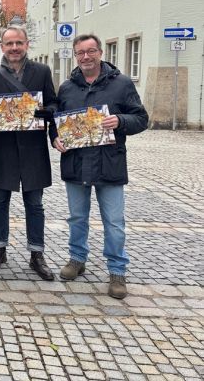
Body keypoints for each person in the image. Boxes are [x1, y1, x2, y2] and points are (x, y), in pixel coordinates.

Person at [53, 34, 148, 299]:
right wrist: (55, 138)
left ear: (101, 52)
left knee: (114, 222)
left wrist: (120, 120)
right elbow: (57, 122)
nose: (86, 57)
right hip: (76, 163)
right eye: (80, 52)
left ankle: (117, 271)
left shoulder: (122, 84)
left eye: (91, 51)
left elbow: (141, 118)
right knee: (77, 217)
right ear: (75, 55)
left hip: (110, 164)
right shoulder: (67, 88)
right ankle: (77, 259)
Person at [0, 24, 57, 280]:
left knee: (35, 204)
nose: (14, 48)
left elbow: (54, 102)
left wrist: (47, 112)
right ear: (2, 46)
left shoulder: (42, 72)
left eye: (18, 43)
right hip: (3, 149)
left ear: (26, 45)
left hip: (33, 147)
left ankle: (37, 254)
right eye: (9, 44)